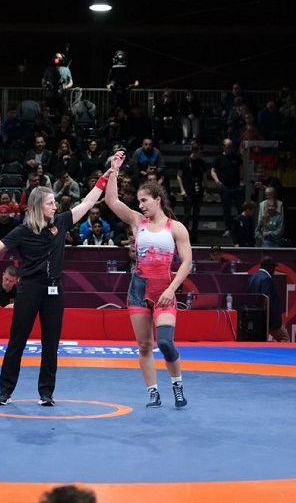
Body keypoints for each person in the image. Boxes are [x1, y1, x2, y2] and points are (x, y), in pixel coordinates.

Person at [0, 167, 114, 407]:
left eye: (54, 202)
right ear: (38, 206)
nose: (55, 206)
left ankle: (46, 392)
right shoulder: (23, 231)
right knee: (17, 340)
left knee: (51, 343)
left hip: (54, 290)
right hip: (29, 289)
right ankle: (5, 391)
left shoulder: (61, 222)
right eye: (50, 203)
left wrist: (106, 176)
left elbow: (87, 203)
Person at [105, 150, 192, 409]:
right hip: (138, 290)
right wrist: (114, 170)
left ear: (158, 200)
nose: (140, 205)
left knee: (164, 342)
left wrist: (172, 289)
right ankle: (153, 392)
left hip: (164, 290)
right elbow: (111, 200)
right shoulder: (137, 222)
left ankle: (177, 385)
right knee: (144, 345)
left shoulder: (176, 228)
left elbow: (187, 262)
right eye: (139, 201)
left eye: (144, 200)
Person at [246, 256, 290, 342]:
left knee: (261, 341)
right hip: (267, 319)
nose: (274, 270)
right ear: (270, 267)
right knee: (284, 338)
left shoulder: (252, 278)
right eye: (274, 267)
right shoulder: (266, 279)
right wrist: (275, 322)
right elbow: (269, 301)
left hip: (255, 318)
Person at [175, 143, 209, 244]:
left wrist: (205, 188)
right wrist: (182, 189)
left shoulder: (202, 163)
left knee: (196, 214)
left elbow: (204, 176)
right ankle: (184, 235)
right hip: (188, 190)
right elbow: (179, 176)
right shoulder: (184, 162)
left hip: (198, 190)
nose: (200, 155)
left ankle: (194, 235)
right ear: (194, 152)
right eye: (199, 153)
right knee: (187, 214)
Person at [105, 49, 139, 114]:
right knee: (114, 108)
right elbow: (108, 81)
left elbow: (134, 80)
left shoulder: (127, 70)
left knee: (125, 107)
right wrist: (109, 86)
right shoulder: (113, 70)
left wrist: (133, 84)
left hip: (124, 92)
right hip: (116, 93)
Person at [41, 52, 73, 120]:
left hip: (61, 96)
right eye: (56, 57)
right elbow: (43, 81)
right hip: (50, 96)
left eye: (59, 58)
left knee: (63, 114)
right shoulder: (48, 69)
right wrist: (45, 86)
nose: (57, 59)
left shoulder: (66, 70)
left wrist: (66, 87)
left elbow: (71, 82)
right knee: (50, 114)